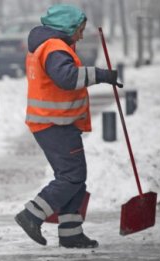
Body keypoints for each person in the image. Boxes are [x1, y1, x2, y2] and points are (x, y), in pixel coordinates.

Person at [15, 4, 123, 249]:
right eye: (79, 30)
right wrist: (102, 75)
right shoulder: (54, 48)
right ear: (67, 28)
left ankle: (71, 233)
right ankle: (32, 214)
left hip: (53, 122)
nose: (81, 35)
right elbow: (67, 78)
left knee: (74, 177)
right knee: (72, 177)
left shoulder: (48, 45)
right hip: (56, 123)